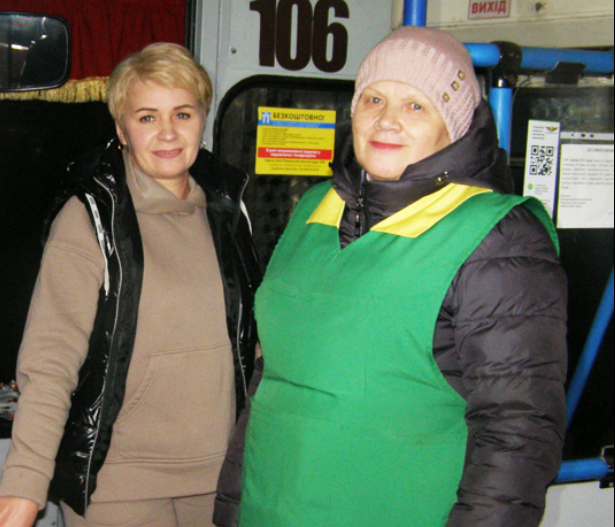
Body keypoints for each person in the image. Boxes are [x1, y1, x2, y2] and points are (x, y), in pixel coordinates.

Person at [216, 26, 568, 527]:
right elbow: (268, 377)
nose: (386, 120)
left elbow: (518, 430)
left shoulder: (499, 237)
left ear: (454, 125)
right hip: (269, 509)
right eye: (374, 99)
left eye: (416, 105)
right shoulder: (314, 207)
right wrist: (231, 507)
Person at [0, 42, 260, 527]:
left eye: (182, 114)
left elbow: (253, 342)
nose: (167, 132)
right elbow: (51, 360)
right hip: (117, 485)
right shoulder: (91, 219)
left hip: (221, 478)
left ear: (203, 120)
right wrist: (24, 481)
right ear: (121, 130)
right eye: (146, 117)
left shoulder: (228, 209)